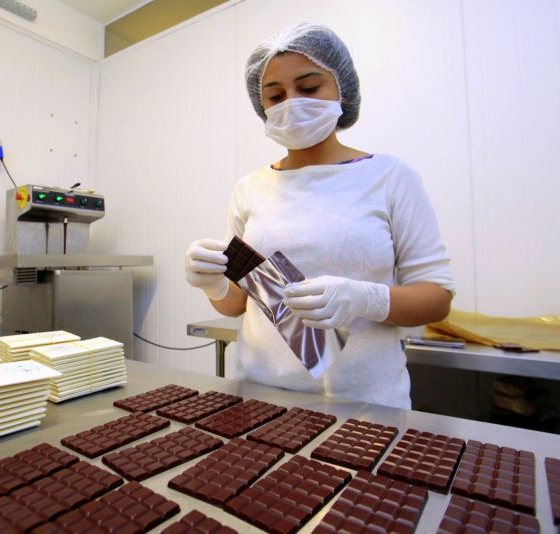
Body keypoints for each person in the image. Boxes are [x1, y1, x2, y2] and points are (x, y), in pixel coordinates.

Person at [184, 23, 455, 409]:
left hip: (367, 405)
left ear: (341, 89)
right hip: (259, 399)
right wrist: (212, 284)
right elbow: (238, 305)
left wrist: (366, 299)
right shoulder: (249, 189)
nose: (291, 104)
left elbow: (436, 299)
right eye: (275, 96)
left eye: (309, 88)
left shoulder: (390, 177)